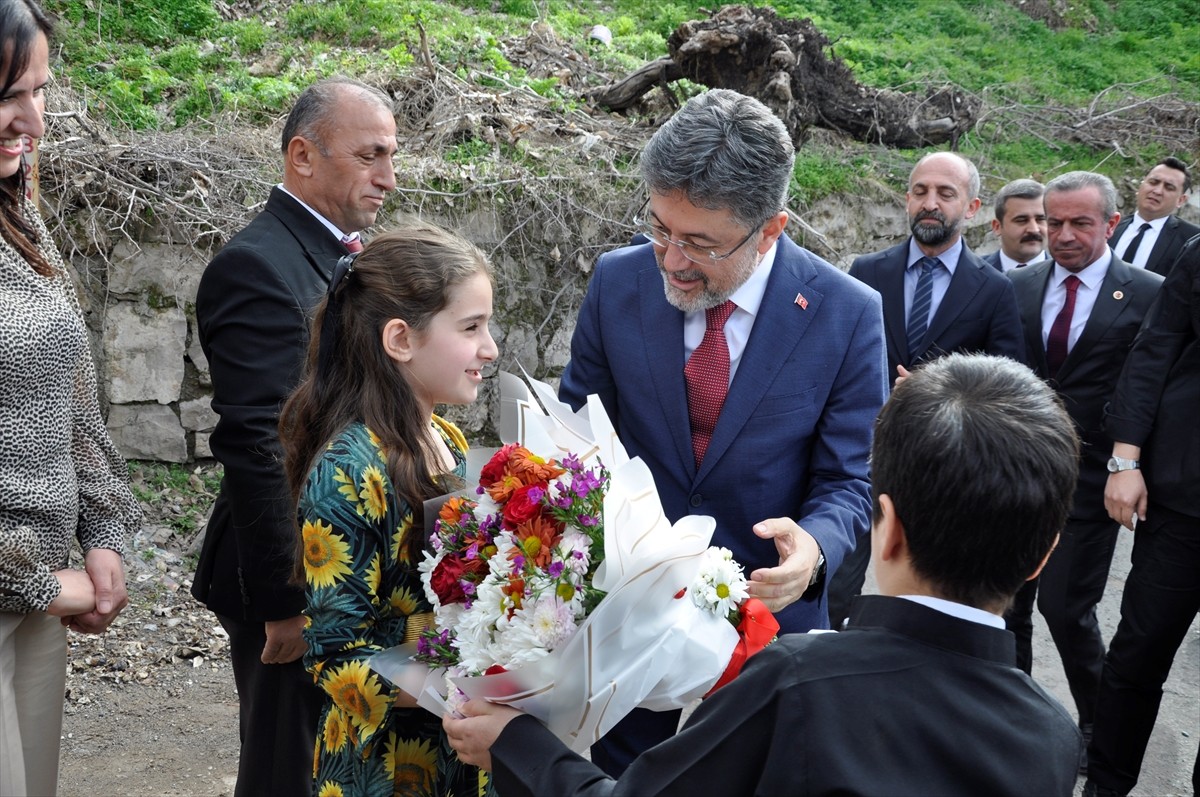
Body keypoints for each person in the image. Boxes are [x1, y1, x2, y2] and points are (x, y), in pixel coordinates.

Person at [444, 352, 1084, 797]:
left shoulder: (798, 683)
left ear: (886, 528)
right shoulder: (1050, 738)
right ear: (1043, 554)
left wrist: (517, 744)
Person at [556, 88, 888, 775]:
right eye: (659, 228)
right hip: (633, 607)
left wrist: (814, 551)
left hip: (766, 621)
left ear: (770, 228)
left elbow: (849, 480)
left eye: (700, 243)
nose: (672, 260)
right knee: (624, 778)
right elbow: (577, 437)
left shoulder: (847, 314)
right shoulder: (618, 282)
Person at [191, 76, 398, 795]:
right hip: (285, 572)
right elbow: (257, 440)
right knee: (286, 767)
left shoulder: (336, 250)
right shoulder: (257, 265)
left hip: (337, 554)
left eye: (392, 156)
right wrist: (287, 600)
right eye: (370, 155)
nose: (388, 177)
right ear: (303, 156)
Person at [278, 222, 499, 796]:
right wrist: (471, 679)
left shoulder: (445, 437)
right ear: (400, 339)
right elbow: (334, 658)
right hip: (386, 766)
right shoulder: (348, 470)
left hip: (462, 746)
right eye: (471, 326)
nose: (489, 348)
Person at [0, 1, 140, 793]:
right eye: (4, 94)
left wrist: (105, 530)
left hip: (38, 606)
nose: (29, 120)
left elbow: (74, 402)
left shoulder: (20, 216)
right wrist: (46, 583)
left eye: (40, 90)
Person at [826, 151, 1026, 630]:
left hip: (942, 467)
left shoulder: (995, 291)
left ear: (972, 208)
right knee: (835, 584)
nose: (929, 203)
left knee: (929, 598)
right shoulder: (867, 272)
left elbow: (1009, 382)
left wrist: (941, 389)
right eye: (920, 192)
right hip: (863, 455)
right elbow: (834, 358)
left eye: (945, 193)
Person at [1004, 171, 1163, 770]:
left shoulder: (1148, 293)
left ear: (1112, 224)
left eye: (1080, 223)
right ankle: (1010, 717)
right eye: (1053, 221)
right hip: (1018, 474)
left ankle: (1098, 731)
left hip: (1096, 479)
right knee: (1009, 605)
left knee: (1066, 611)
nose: (1062, 235)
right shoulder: (1018, 286)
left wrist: (1135, 464)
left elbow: (1153, 388)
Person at [1084, 233, 1200, 797]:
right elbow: (1155, 349)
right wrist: (1123, 459)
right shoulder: (1198, 252)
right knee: (1139, 649)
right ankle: (1106, 785)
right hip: (1183, 498)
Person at [1107, 157, 1200, 276]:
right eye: (1153, 182)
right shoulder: (1111, 226)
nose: (1157, 191)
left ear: (1181, 200)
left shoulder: (1192, 240)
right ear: (1140, 187)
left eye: (1169, 187)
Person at [982, 178, 1048, 272]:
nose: (1034, 229)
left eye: (1041, 219)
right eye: (1021, 220)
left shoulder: (1068, 273)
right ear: (997, 227)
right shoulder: (971, 273)